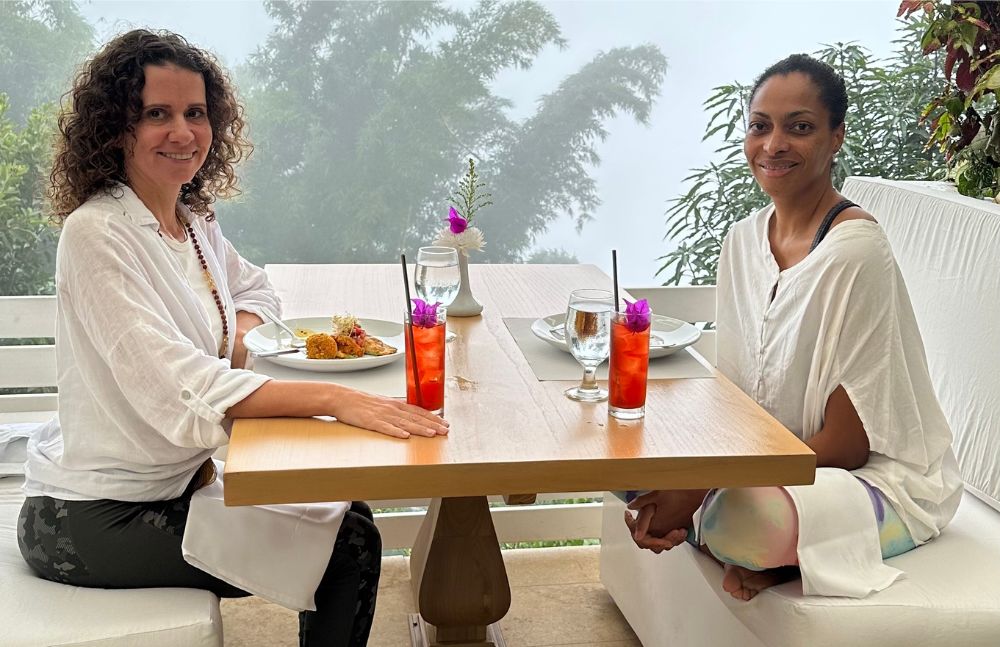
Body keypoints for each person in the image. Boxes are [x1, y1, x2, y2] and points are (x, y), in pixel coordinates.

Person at [16, 29, 448, 646]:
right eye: (156, 114)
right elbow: (181, 388)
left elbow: (254, 290)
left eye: (195, 113)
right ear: (116, 128)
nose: (182, 132)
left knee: (350, 511)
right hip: (92, 517)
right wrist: (335, 399)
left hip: (175, 486)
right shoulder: (97, 235)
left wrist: (241, 335)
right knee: (347, 546)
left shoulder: (192, 219)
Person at [624, 54, 963, 601]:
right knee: (626, 459)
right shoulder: (741, 241)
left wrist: (697, 486)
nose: (774, 144)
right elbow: (734, 400)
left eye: (799, 127)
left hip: (862, 478)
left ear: (836, 139)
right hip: (764, 463)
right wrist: (684, 473)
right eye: (760, 126)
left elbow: (851, 445)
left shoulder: (856, 252)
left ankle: (750, 541)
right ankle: (744, 539)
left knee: (747, 520)